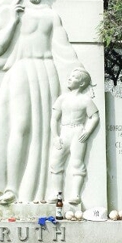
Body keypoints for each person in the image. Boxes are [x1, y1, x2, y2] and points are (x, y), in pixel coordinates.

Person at [0, 0, 81, 204]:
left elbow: (63, 50)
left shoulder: (52, 15)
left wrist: (79, 73)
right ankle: (11, 187)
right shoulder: (9, 10)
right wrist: (14, 20)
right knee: (19, 127)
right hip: (20, 71)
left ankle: (44, 190)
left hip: (46, 73)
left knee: (46, 131)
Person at [48, 68, 99, 205]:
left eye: (74, 77)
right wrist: (55, 136)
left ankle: (75, 194)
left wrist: (87, 131)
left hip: (78, 132)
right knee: (55, 162)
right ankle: (57, 193)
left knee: (77, 163)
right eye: (70, 76)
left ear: (82, 83)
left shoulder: (86, 100)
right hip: (64, 132)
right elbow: (54, 118)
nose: (70, 78)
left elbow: (94, 117)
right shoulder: (62, 98)